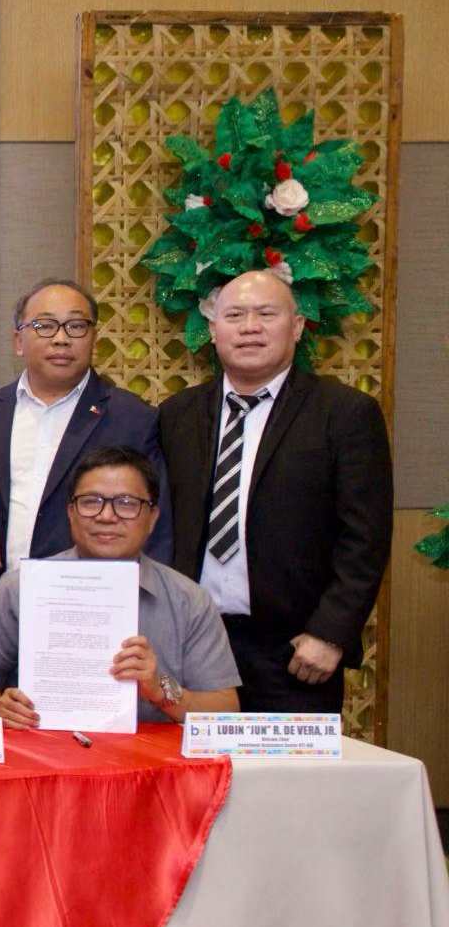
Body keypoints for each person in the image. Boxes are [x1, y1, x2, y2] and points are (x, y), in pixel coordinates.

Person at [157, 269, 393, 713]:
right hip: (192, 645)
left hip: (294, 653)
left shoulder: (345, 414)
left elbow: (366, 537)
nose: (249, 327)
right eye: (235, 315)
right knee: (192, 779)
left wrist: (330, 633)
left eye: (267, 314)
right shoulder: (177, 415)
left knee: (291, 783)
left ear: (298, 326)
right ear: (213, 330)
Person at [0, 446, 240, 727]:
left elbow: (226, 709)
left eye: (127, 503)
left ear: (152, 518)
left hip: (151, 765)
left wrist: (160, 690)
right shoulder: (21, 587)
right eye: (91, 501)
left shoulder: (189, 600)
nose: (107, 516)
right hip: (48, 757)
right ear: (70, 512)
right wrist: (0, 706)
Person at [0, 280, 172, 611]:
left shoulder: (133, 419)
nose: (61, 338)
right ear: (18, 341)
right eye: (44, 325)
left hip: (88, 609)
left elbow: (155, 530)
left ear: (93, 338)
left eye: (76, 325)